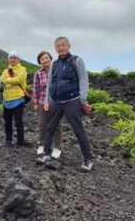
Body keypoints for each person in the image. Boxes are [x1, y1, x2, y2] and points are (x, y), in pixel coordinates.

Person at [37, 37, 94, 172]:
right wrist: (47, 101)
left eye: (63, 45)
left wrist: (83, 100)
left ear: (69, 46)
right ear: (55, 48)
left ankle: (88, 159)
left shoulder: (76, 60)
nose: (60, 48)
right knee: (50, 127)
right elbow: (50, 84)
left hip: (72, 100)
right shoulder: (54, 64)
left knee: (78, 129)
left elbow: (83, 80)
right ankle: (46, 154)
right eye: (58, 46)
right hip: (56, 101)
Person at [33, 51, 62, 158]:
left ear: (50, 58)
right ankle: (42, 144)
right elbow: (36, 89)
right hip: (41, 101)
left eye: (46, 58)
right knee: (42, 124)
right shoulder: (38, 74)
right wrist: (35, 102)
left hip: (56, 102)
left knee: (57, 125)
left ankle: (57, 147)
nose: (45, 60)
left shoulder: (58, 71)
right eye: (42, 59)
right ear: (40, 62)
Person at [0, 51, 29, 148]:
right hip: (6, 99)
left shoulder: (23, 69)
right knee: (7, 122)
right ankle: (8, 140)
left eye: (14, 57)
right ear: (8, 59)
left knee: (18, 122)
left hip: (18, 99)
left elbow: (19, 79)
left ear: (18, 59)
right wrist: (10, 81)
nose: (12, 59)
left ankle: (20, 142)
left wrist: (8, 80)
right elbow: (3, 80)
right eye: (11, 57)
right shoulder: (5, 71)